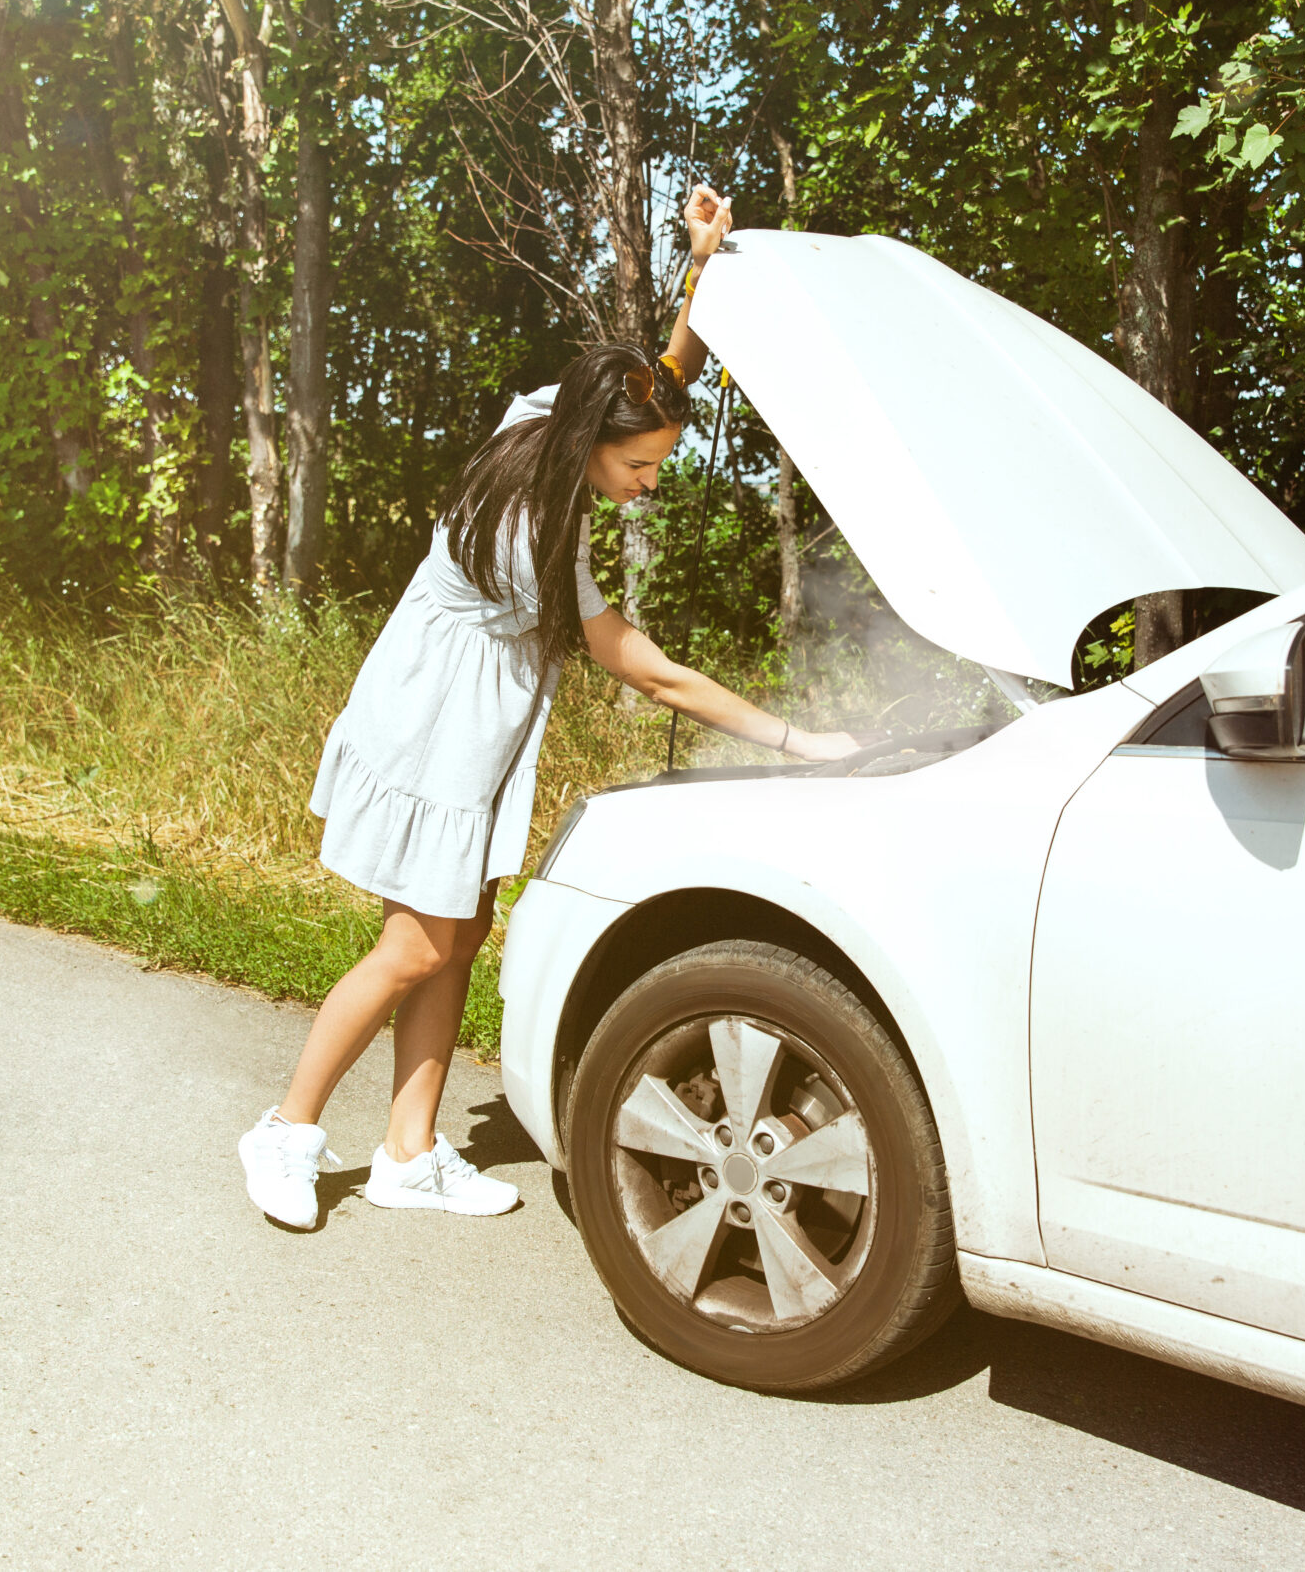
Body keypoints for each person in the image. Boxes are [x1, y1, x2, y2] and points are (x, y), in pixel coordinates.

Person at [239, 185, 859, 1227]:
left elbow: (657, 380)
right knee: (414, 946)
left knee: (459, 930)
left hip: (467, 732)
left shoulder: (555, 417)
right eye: (639, 467)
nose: (649, 481)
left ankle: (408, 1151)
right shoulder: (530, 524)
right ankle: (286, 1131)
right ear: (588, 449)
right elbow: (650, 671)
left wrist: (702, 266)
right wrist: (796, 739)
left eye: (655, 461)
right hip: (431, 726)